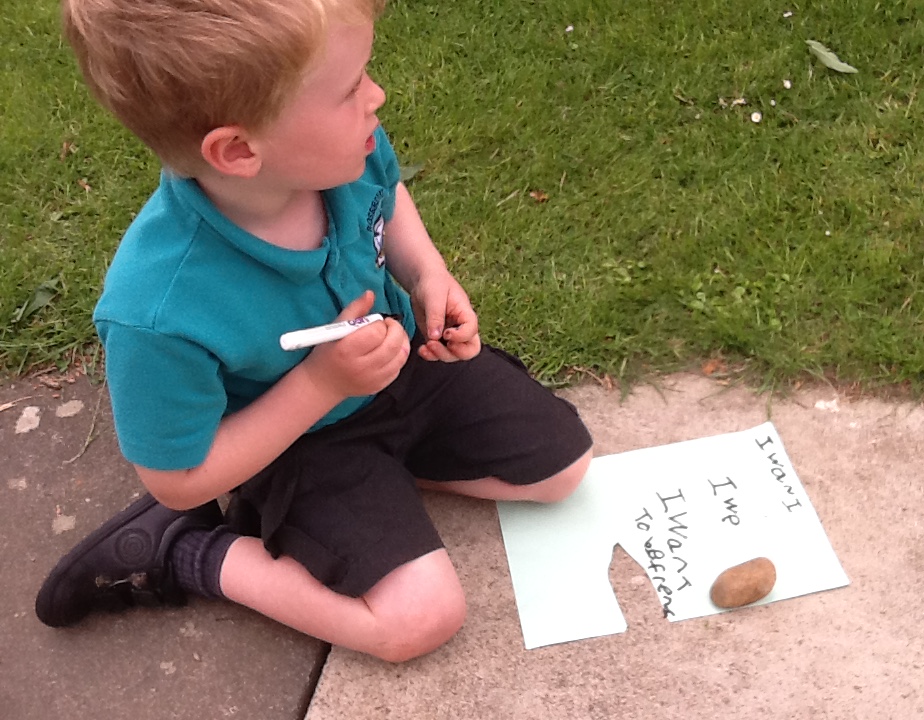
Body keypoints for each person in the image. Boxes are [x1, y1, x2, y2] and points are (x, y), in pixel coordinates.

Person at [37, 0, 593, 663]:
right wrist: (323, 386)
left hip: (402, 367)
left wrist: (427, 274)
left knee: (563, 466)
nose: (376, 97)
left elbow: (387, 196)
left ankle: (387, 476)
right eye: (350, 88)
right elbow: (177, 479)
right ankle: (187, 552)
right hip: (300, 442)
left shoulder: (342, 154)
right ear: (240, 150)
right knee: (419, 620)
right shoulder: (158, 309)